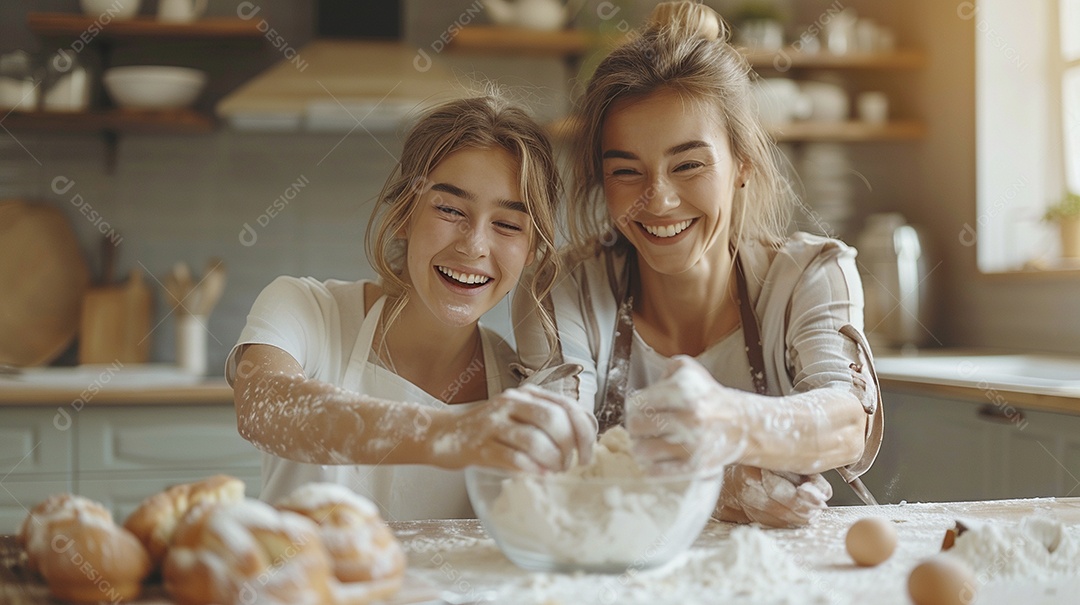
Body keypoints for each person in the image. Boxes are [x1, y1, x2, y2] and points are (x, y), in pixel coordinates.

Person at [513, 1, 883, 527]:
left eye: (688, 165)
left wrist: (731, 421)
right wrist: (717, 483)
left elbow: (846, 422)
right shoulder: (561, 289)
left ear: (742, 164)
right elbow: (555, 455)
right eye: (626, 172)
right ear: (600, 179)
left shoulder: (809, 274)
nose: (658, 200)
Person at [227, 96, 596, 521]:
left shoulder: (515, 392)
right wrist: (451, 436)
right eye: (451, 209)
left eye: (508, 225)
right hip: (304, 586)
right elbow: (263, 408)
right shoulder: (309, 312)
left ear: (531, 250)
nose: (473, 245)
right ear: (404, 214)